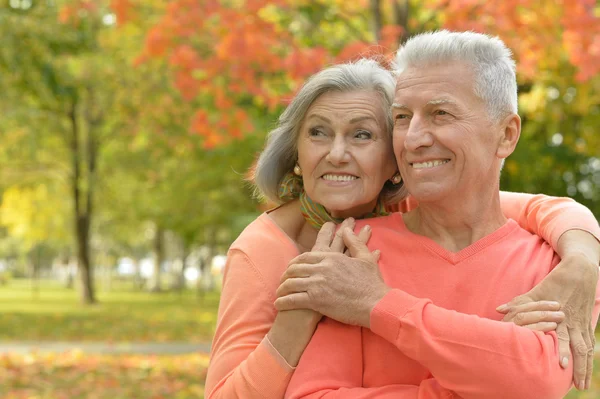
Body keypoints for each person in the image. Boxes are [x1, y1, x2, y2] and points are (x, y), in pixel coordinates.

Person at [204, 59, 600, 399]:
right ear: (296, 154)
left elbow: (544, 208)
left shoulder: (414, 206)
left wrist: (583, 259)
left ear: (396, 155)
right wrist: (298, 318)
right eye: (318, 132)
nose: (336, 153)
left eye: (362, 134)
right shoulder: (262, 252)